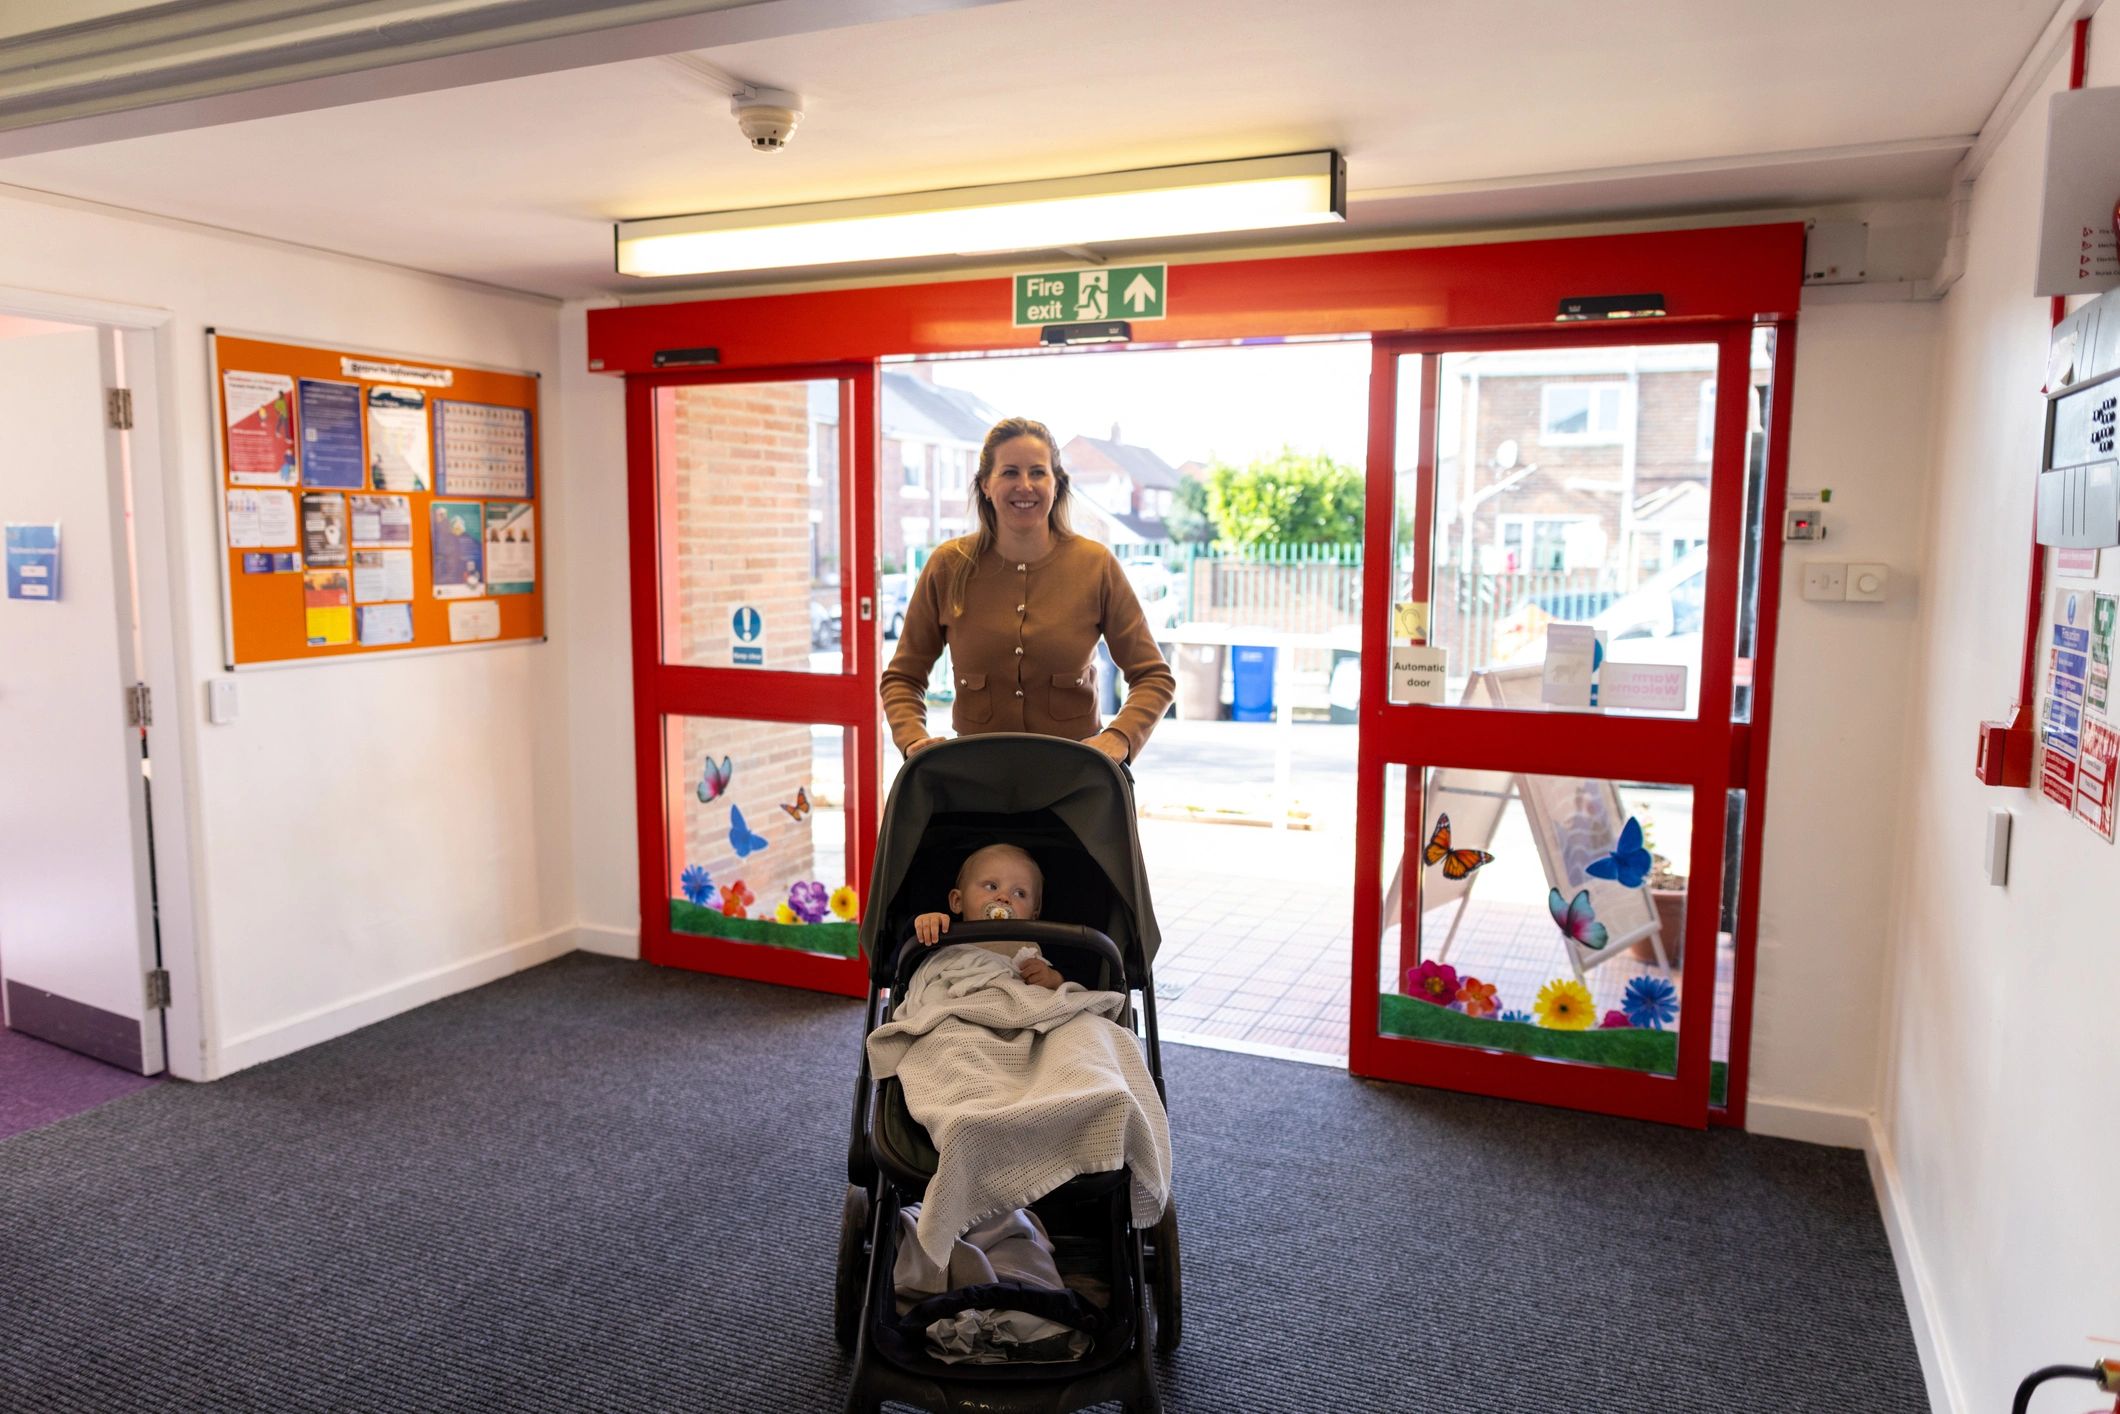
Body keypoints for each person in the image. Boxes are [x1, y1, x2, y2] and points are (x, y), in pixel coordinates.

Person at [881, 417, 1176, 766]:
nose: (1025, 485)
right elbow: (902, 678)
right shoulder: (948, 565)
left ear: (1057, 484)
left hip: (1075, 784)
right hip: (975, 784)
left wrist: (1120, 736)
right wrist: (913, 739)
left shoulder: (1096, 566)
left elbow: (1154, 676)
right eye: (1009, 473)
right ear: (985, 486)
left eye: (1038, 472)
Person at [911, 843, 1064, 990]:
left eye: (1019, 893)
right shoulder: (944, 932)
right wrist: (925, 926)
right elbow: (908, 964)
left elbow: (1064, 991)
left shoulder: (1031, 948)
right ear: (958, 901)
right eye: (991, 886)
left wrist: (1053, 979)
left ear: (1033, 916)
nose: (1004, 898)